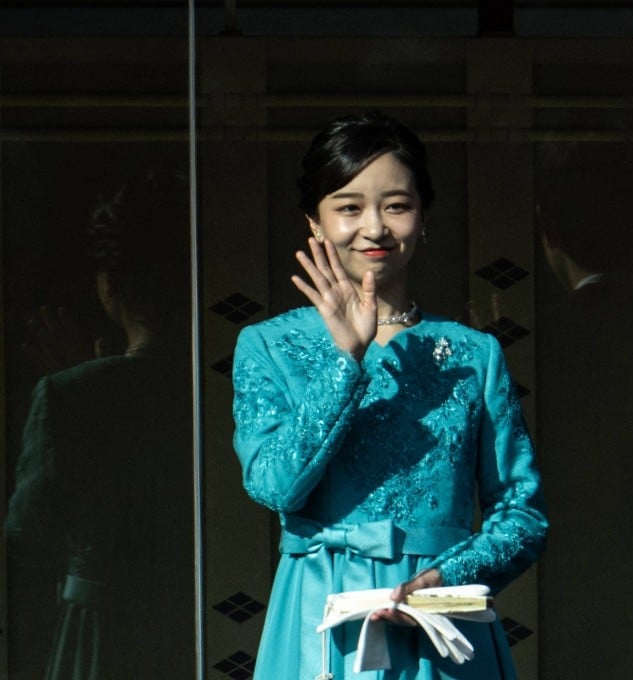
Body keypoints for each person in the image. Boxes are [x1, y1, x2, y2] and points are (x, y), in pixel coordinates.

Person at [231, 112, 548, 679]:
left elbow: (521, 514)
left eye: (396, 205)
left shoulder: (473, 353)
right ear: (315, 222)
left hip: (436, 618)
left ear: (423, 218)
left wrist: (445, 581)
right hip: (320, 617)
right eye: (349, 207)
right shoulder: (268, 345)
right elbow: (273, 485)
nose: (374, 227)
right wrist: (345, 362)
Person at [5, 171, 195, 679]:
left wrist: (81, 386)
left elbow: (27, 527)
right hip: (201, 614)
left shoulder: (70, 393)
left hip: (102, 628)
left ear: (111, 284)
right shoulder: (222, 390)